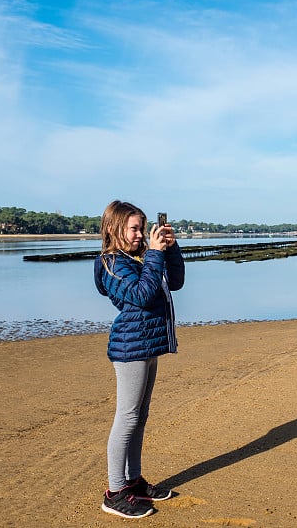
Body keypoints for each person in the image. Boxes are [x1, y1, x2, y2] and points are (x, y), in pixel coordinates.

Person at [93, 200, 185, 519]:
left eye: (143, 228)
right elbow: (143, 296)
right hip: (130, 346)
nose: (140, 234)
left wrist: (169, 249)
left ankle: (133, 482)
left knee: (139, 417)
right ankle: (115, 491)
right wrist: (155, 254)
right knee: (127, 417)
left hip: (148, 344)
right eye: (134, 228)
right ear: (114, 228)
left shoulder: (138, 257)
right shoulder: (111, 262)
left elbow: (174, 282)